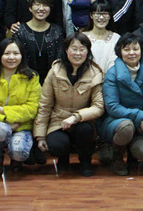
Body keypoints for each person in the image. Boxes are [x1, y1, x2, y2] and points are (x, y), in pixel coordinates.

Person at [34, 33, 105, 177]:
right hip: (58, 121)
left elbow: (98, 107)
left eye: (82, 49)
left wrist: (76, 117)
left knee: (85, 130)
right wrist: (40, 136)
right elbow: (45, 105)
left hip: (83, 121)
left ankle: (85, 161)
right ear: (66, 50)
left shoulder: (95, 73)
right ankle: (63, 158)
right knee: (57, 145)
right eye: (74, 49)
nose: (78, 53)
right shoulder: (54, 71)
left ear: (88, 51)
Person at [0, 38, 41, 178]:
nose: (11, 57)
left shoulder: (32, 78)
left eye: (16, 53)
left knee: (19, 151)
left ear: (22, 56)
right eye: (7, 53)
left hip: (21, 126)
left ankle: (16, 161)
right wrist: (4, 120)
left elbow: (32, 109)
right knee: (1, 129)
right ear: (0, 55)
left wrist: (3, 110)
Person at [100, 33, 143, 176]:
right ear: (119, 51)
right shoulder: (112, 74)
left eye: (135, 49)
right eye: (127, 49)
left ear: (141, 50)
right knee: (126, 127)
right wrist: (140, 116)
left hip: (142, 122)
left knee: (142, 151)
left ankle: (132, 154)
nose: (131, 53)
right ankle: (117, 157)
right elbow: (112, 107)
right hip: (116, 121)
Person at [12, 0, 65, 83]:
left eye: (45, 5)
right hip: (24, 80)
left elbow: (60, 60)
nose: (41, 9)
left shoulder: (57, 31)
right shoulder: (20, 31)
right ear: (30, 8)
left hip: (52, 80)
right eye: (37, 5)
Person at [81, 0, 120, 74]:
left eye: (105, 14)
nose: (101, 17)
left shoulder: (116, 38)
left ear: (110, 16)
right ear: (91, 15)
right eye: (97, 14)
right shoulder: (83, 37)